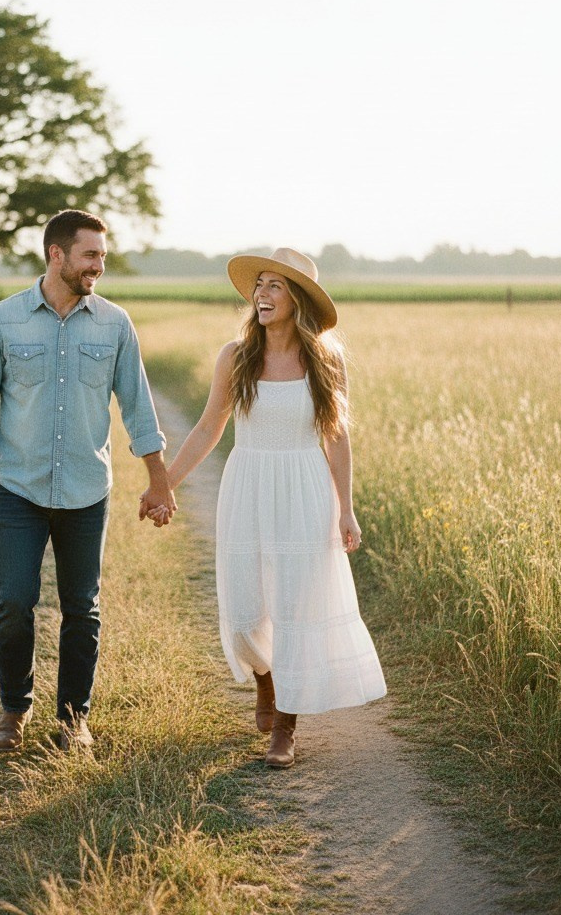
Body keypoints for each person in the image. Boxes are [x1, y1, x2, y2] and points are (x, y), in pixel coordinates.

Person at [151, 247, 386, 768]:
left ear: (297, 298)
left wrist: (346, 509)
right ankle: (266, 678)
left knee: (296, 607)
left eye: (275, 285)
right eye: (259, 284)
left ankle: (286, 727)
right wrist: (166, 482)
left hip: (305, 486)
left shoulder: (326, 360)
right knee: (244, 609)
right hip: (248, 483)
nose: (262, 293)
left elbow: (337, 437)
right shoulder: (235, 357)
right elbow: (211, 426)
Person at [0, 209, 176, 754]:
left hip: (85, 491)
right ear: (57, 255)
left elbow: (139, 409)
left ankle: (75, 720)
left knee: (82, 608)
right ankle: (13, 711)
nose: (99, 265)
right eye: (90, 255)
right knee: (14, 602)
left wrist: (159, 482)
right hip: (18, 490)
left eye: (101, 254)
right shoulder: (3, 321)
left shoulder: (115, 324)